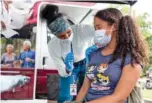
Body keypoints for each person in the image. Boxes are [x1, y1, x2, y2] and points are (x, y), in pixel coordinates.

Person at [76, 8, 149, 103]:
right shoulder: (93, 54)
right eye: (95, 28)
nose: (96, 32)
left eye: (99, 27)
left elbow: (119, 97)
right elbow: (84, 88)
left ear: (113, 26)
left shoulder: (130, 59)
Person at [41, 5, 95, 103]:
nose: (66, 36)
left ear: (70, 27)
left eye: (69, 33)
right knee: (67, 95)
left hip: (85, 63)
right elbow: (59, 65)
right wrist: (67, 68)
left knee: (89, 91)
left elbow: (99, 32)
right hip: (69, 68)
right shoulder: (53, 45)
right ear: (55, 35)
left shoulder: (80, 30)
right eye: (61, 36)